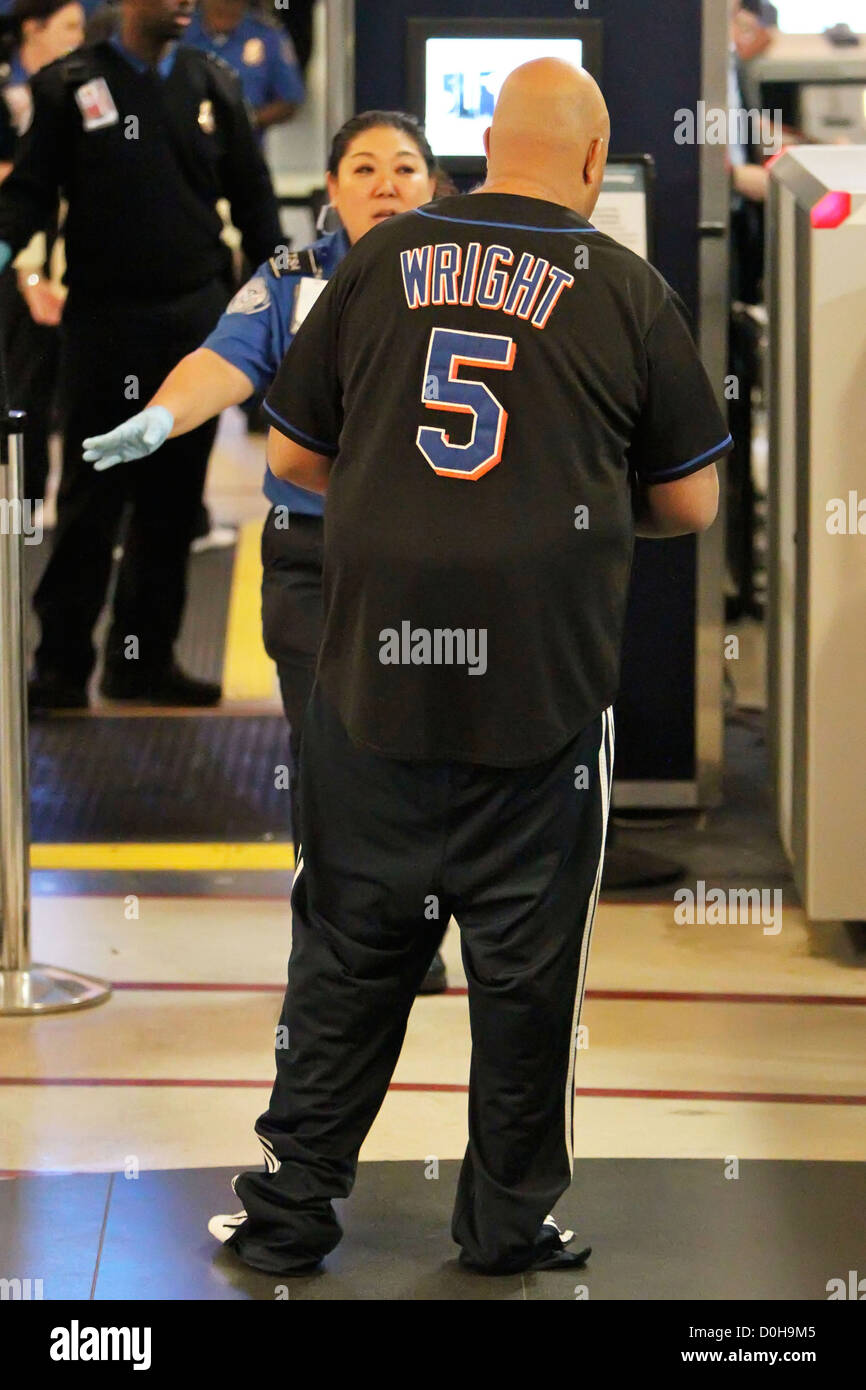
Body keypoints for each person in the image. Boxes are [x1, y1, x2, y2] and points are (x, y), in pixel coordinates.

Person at [204, 57, 731, 1278]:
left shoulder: (380, 260)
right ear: (595, 166)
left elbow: (293, 451)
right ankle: (504, 1223)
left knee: (343, 954)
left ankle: (289, 1211)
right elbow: (691, 501)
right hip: (538, 707)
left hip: (369, 684)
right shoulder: (625, 287)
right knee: (527, 976)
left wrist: (401, 504)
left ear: (477, 151)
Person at [82, 110, 451, 993]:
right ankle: (332, 954)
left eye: (405, 167)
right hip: (313, 560)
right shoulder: (293, 279)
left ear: (434, 186)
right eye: (362, 168)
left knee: (423, 753)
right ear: (331, 192)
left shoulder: (464, 280)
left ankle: (414, 934)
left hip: (429, 564)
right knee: (329, 754)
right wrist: (162, 417)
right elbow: (228, 357)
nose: (386, 184)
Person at [0, 0, 282, 711]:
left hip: (193, 321)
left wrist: (287, 296)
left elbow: (255, 204)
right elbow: (28, 195)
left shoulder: (213, 81)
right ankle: (60, 667)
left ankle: (144, 661)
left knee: (172, 502)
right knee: (91, 501)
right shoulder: (69, 86)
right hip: (104, 323)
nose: (186, 2)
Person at [0, 0, 84, 503]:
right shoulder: (10, 91)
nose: (78, 37)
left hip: (66, 263)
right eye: (68, 26)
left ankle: (56, 514)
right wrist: (29, 274)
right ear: (34, 28)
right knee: (24, 394)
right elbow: (24, 190)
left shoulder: (74, 89)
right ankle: (22, 516)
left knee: (71, 395)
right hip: (17, 259)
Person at [181, 0, 303, 138]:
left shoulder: (268, 36)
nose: (224, 6)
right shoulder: (179, 34)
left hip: (244, 148)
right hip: (182, 145)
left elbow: (289, 99)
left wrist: (247, 119)